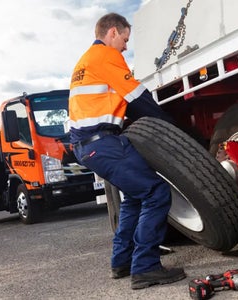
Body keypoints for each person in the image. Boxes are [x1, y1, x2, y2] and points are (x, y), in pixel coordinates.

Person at [68, 12, 186, 289]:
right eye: (124, 39)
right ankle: (145, 267)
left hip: (91, 144)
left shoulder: (85, 61)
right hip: (102, 143)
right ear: (111, 33)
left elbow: (122, 102)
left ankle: (121, 262)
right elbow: (137, 98)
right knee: (155, 193)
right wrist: (171, 127)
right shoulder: (106, 56)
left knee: (134, 196)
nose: (125, 46)